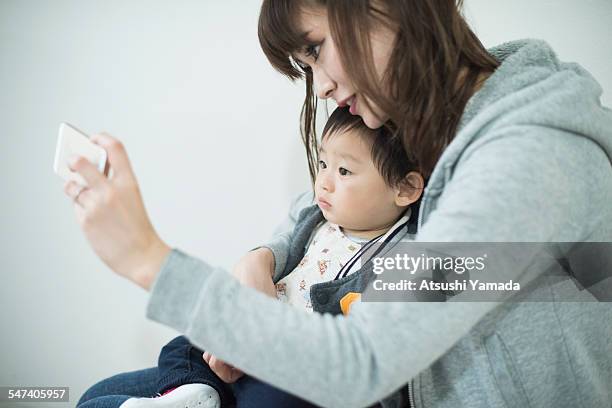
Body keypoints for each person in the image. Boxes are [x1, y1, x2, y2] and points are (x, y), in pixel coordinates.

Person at [65, 1, 612, 407]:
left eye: (316, 48)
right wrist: (263, 258)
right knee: (99, 398)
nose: (320, 85)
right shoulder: (437, 134)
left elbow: (364, 359)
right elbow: (332, 212)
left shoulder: (528, 158)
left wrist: (146, 260)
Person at [82, 107, 424, 408]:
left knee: (272, 396)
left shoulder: (405, 256)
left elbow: (367, 354)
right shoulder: (315, 219)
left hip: (299, 371)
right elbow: (276, 252)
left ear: (405, 189)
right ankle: (194, 394)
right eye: (322, 164)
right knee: (184, 345)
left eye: (344, 172)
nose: (323, 183)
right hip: (253, 338)